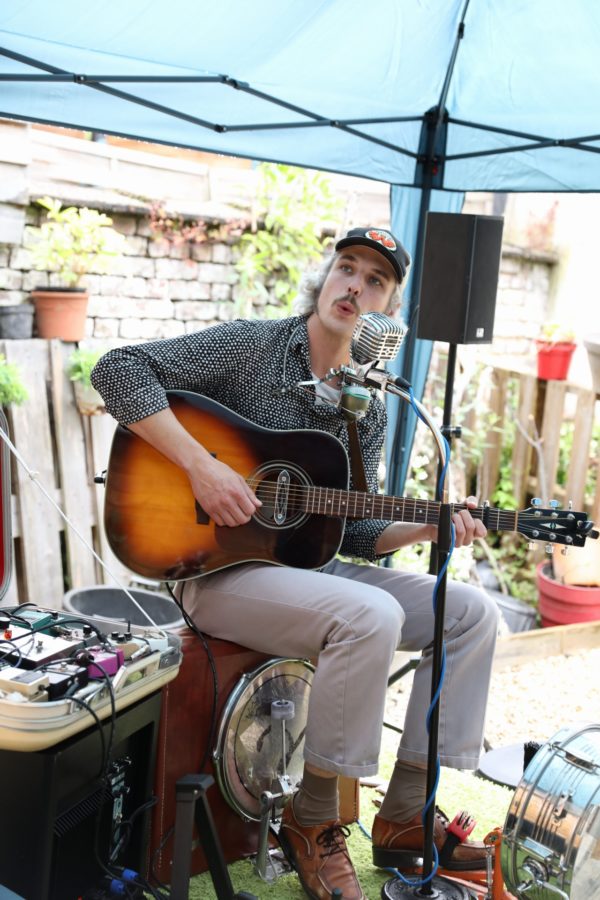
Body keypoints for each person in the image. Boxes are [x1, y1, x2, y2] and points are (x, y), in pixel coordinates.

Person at [92, 226, 499, 900]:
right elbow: (118, 370)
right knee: (369, 615)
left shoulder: (365, 404)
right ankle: (314, 824)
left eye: (375, 281)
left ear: (387, 312)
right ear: (326, 276)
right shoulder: (254, 347)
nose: (355, 286)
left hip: (307, 574)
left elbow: (358, 529)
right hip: (212, 570)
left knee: (469, 612)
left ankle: (405, 816)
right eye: (347, 267)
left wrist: (436, 520)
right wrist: (202, 468)